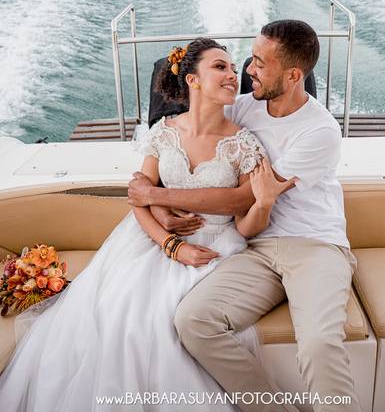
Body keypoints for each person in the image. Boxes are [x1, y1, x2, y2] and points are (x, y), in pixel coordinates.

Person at [0, 38, 293, 412]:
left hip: (217, 248)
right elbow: (138, 198)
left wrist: (159, 199)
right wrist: (171, 243)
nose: (232, 75)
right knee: (116, 316)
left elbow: (239, 203)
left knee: (166, 325)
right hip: (151, 242)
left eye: (233, 68)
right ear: (192, 80)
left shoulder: (243, 143)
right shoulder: (163, 133)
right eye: (220, 67)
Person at [128, 21, 362, 412]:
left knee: (319, 344)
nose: (247, 71)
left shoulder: (320, 131)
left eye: (259, 63)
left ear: (293, 76)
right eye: (250, 60)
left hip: (314, 246)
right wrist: (150, 194)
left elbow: (242, 198)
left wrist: (155, 194)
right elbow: (198, 133)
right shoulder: (245, 105)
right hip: (253, 247)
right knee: (194, 321)